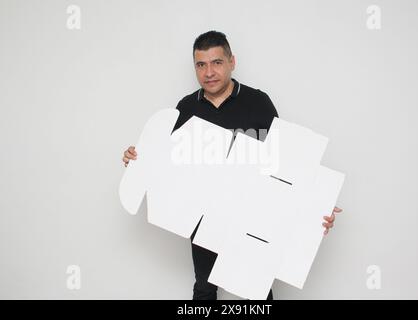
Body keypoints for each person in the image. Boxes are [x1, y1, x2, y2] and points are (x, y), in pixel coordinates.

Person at [122, 31, 343, 300]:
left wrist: (316, 206)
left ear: (232, 62)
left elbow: (285, 164)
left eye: (216, 62)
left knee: (256, 291)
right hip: (204, 218)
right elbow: (169, 167)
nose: (209, 72)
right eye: (201, 65)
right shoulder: (186, 108)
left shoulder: (258, 102)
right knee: (204, 288)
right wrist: (138, 161)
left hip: (251, 217)